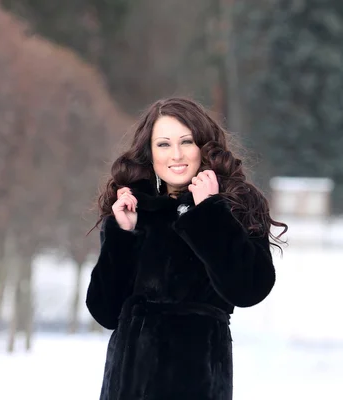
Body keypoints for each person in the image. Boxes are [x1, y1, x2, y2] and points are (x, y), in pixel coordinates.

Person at [85, 97, 288, 400]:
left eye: (186, 141)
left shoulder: (233, 206)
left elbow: (249, 289)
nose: (176, 155)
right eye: (163, 144)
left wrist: (209, 212)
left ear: (203, 147)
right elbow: (105, 312)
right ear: (149, 153)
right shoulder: (135, 209)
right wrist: (122, 234)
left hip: (197, 384)